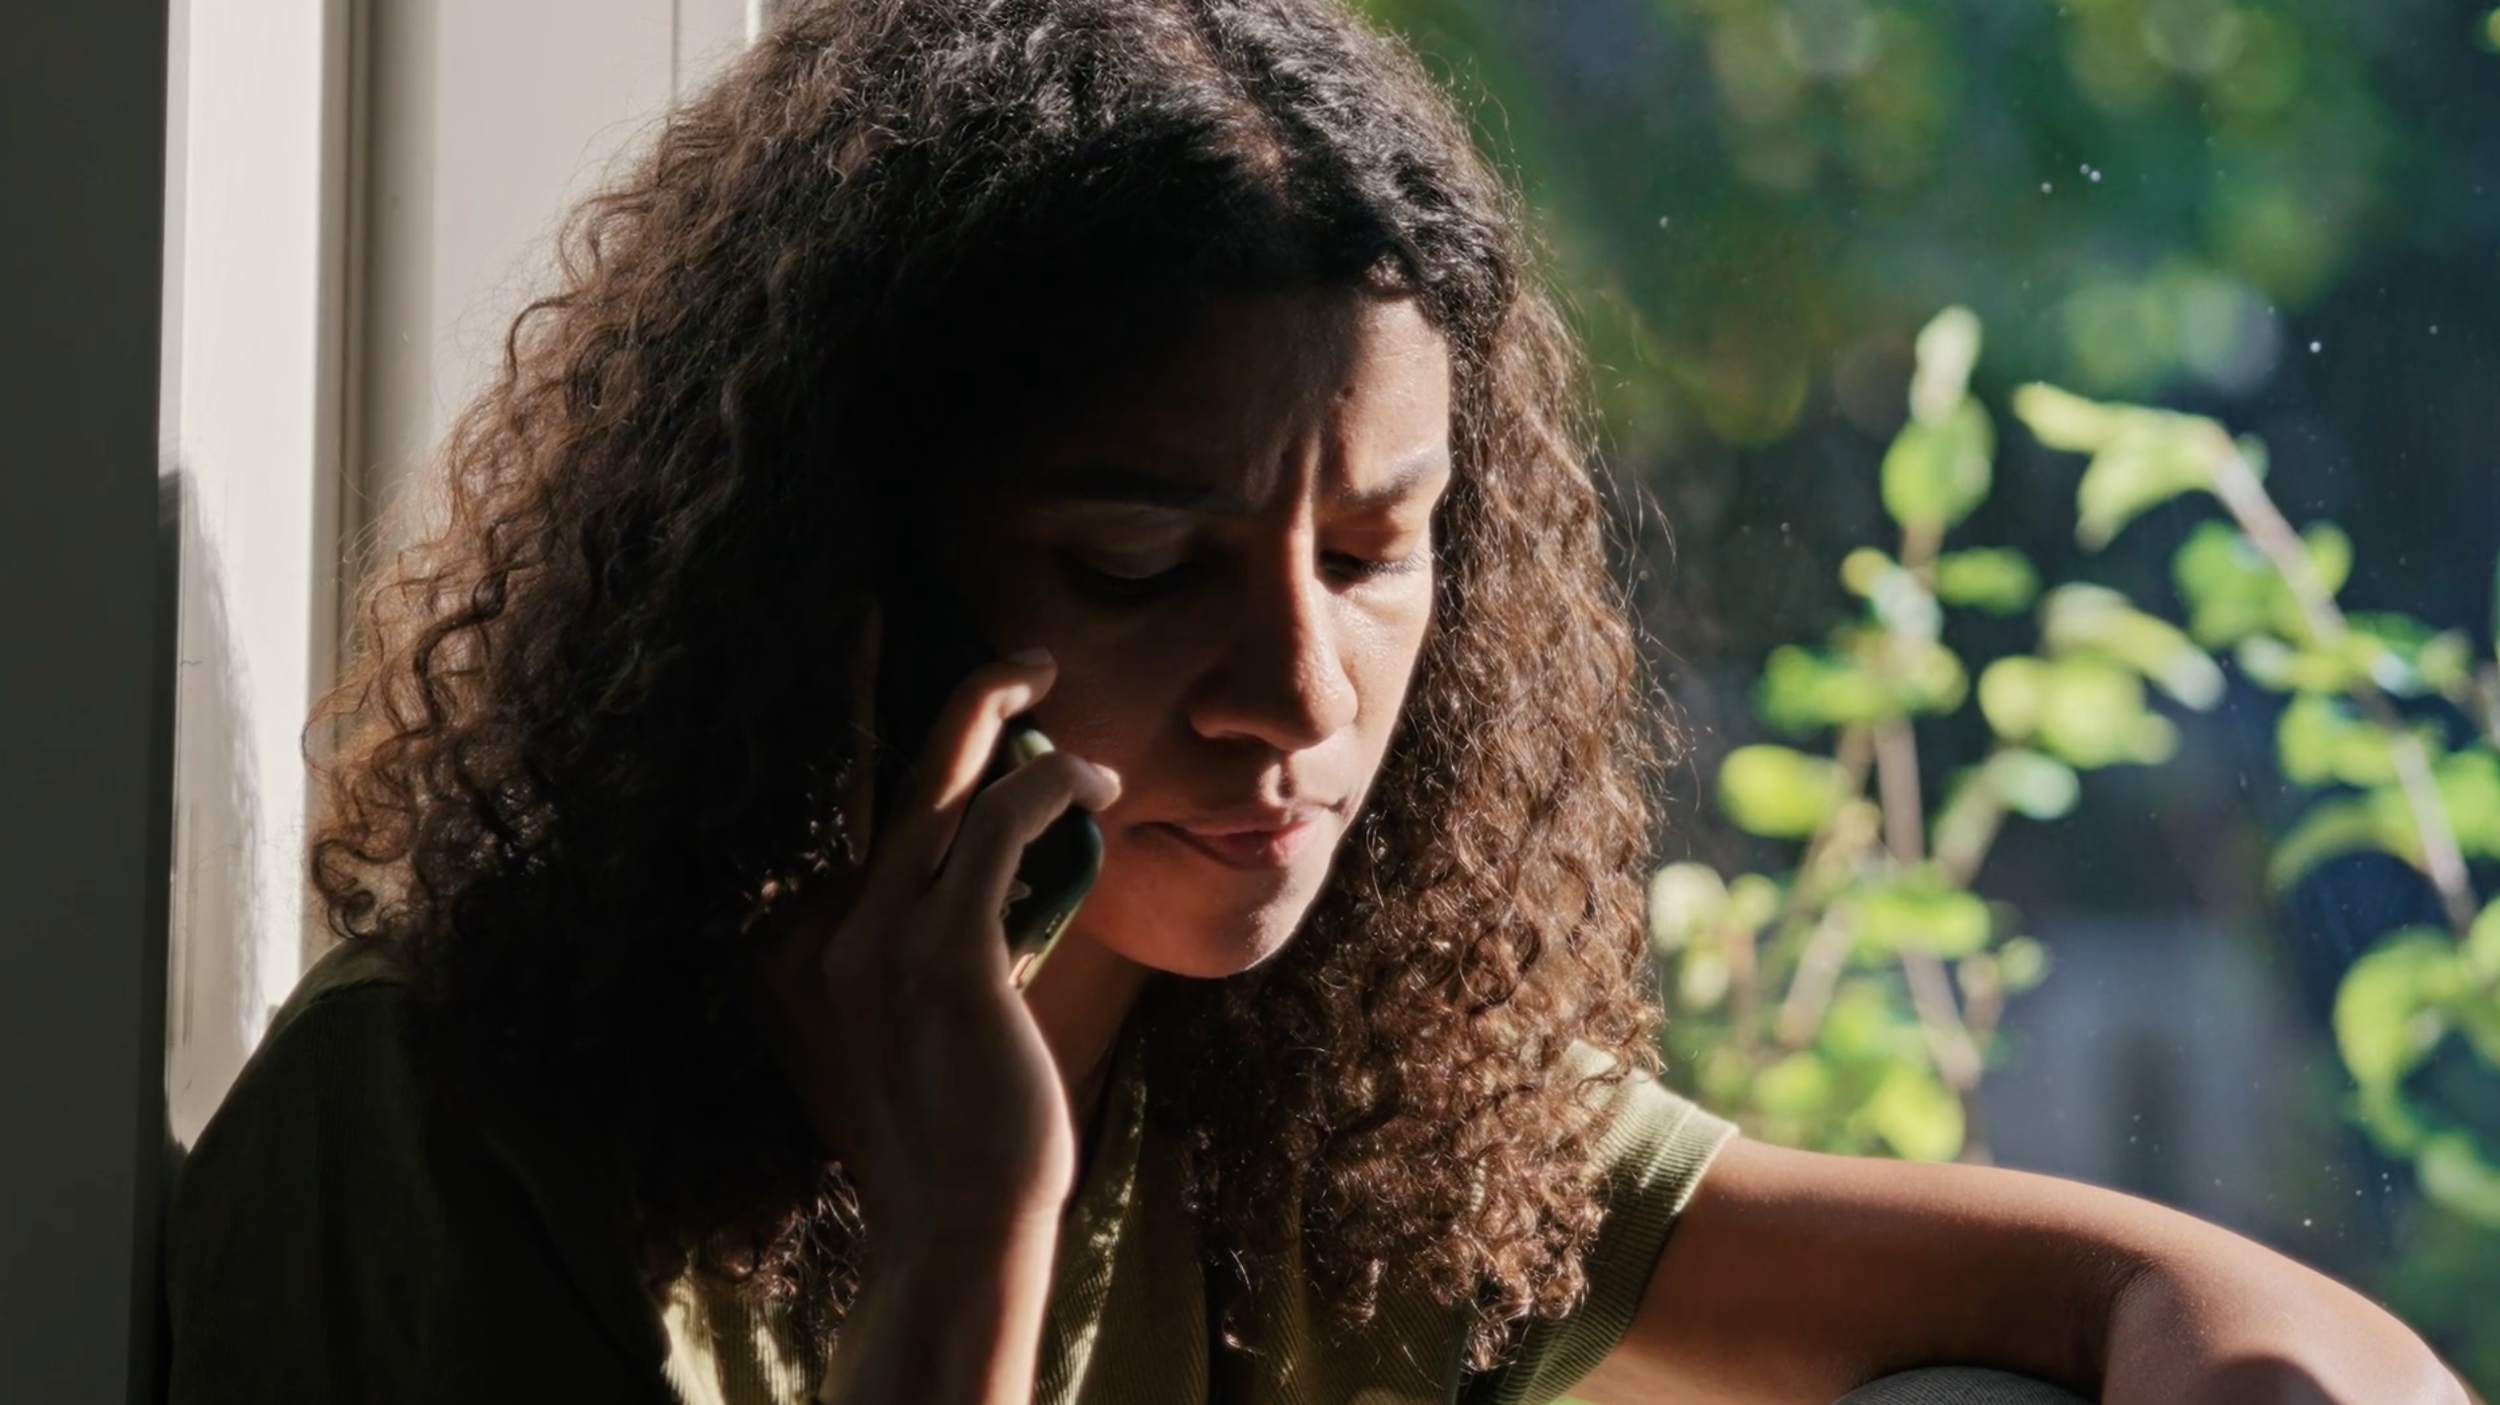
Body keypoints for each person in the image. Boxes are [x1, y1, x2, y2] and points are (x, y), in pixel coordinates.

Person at [162, 2, 2467, 1403]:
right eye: (1139, 566)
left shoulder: (1325, 1128)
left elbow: (2217, 1311)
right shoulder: (439, 1131)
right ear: (832, 574)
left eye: (1372, 556)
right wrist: (972, 1233)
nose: (1294, 691)